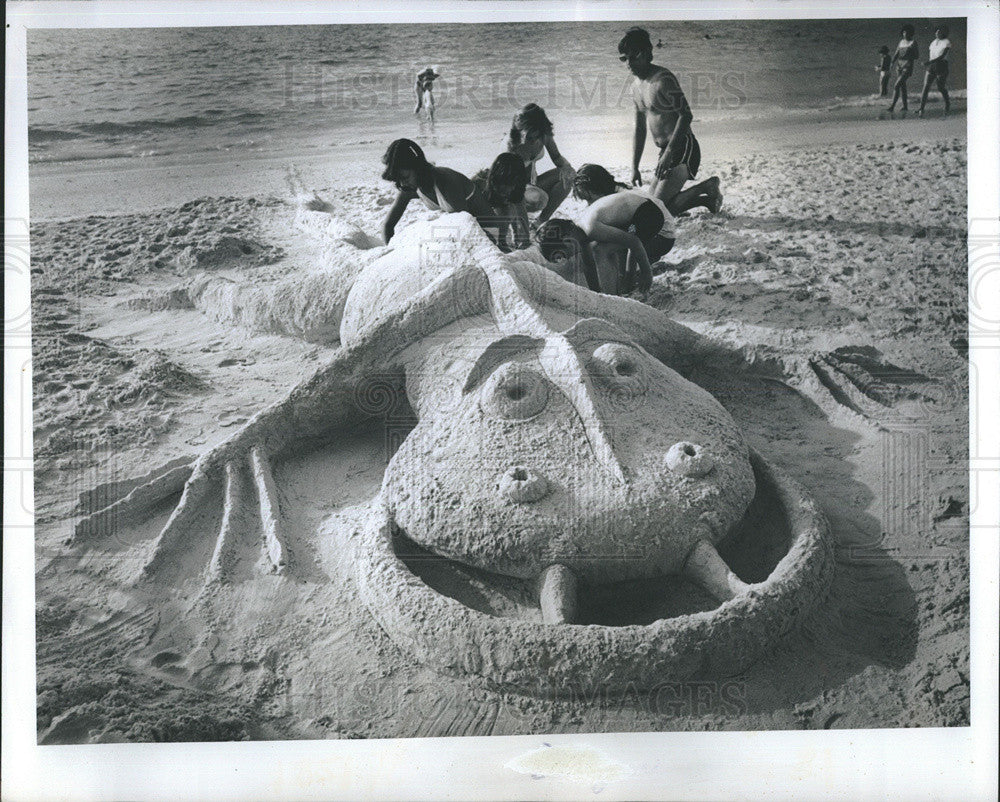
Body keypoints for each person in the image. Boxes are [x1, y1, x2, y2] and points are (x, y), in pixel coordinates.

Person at [619, 27, 722, 217]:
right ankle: (706, 199)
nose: (628, 64)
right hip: (665, 152)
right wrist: (635, 167)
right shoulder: (635, 86)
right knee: (652, 204)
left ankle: (706, 186)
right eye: (624, 59)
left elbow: (686, 115)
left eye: (632, 57)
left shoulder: (663, 79)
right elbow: (640, 128)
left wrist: (668, 152)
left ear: (644, 54)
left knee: (655, 210)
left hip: (682, 147)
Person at [562, 163, 677, 295]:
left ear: (599, 188)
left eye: (589, 199)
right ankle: (621, 280)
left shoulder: (621, 198)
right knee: (601, 242)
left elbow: (635, 239)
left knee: (602, 249)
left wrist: (630, 277)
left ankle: (622, 285)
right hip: (650, 226)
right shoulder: (615, 192)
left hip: (661, 236)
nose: (589, 205)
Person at [379, 138, 495, 245]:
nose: (402, 184)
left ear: (417, 167)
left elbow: (464, 228)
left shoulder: (446, 180)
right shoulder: (410, 186)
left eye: (405, 177)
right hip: (468, 233)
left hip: (491, 233)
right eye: (398, 180)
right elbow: (387, 225)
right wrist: (390, 249)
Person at [505, 103, 576, 226]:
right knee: (540, 199)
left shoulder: (543, 136)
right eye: (525, 133)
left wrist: (567, 167)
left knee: (566, 176)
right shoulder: (510, 145)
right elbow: (505, 183)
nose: (530, 138)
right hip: (511, 188)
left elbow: (557, 157)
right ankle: (516, 218)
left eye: (534, 134)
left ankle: (541, 221)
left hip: (532, 184)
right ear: (519, 128)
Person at [473, 152, 532, 252]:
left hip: (496, 215)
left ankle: (502, 241)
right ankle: (500, 242)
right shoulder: (479, 184)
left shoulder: (516, 187)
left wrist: (523, 240)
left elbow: (521, 216)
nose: (510, 188)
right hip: (479, 221)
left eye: (514, 184)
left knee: (509, 210)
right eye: (507, 183)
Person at [534, 218, 605, 294]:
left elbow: (619, 238)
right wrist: (597, 294)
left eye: (562, 256)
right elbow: (589, 265)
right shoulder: (582, 239)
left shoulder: (591, 229)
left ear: (566, 241)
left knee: (605, 250)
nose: (567, 258)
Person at [918, 25, 951, 117]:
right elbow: (931, 55)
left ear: (944, 33)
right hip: (931, 66)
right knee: (925, 87)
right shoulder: (933, 42)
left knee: (940, 87)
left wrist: (929, 62)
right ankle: (921, 108)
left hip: (941, 65)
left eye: (940, 31)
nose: (937, 33)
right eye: (937, 31)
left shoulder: (947, 42)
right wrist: (929, 63)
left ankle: (947, 103)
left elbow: (942, 56)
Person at [887, 25, 919, 114]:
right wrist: (892, 63)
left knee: (896, 86)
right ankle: (905, 107)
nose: (906, 34)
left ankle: (892, 106)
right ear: (902, 33)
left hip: (908, 65)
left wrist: (910, 53)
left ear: (911, 33)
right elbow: (896, 53)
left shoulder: (913, 42)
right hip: (899, 66)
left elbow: (917, 56)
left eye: (907, 32)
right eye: (904, 32)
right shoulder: (901, 42)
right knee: (902, 87)